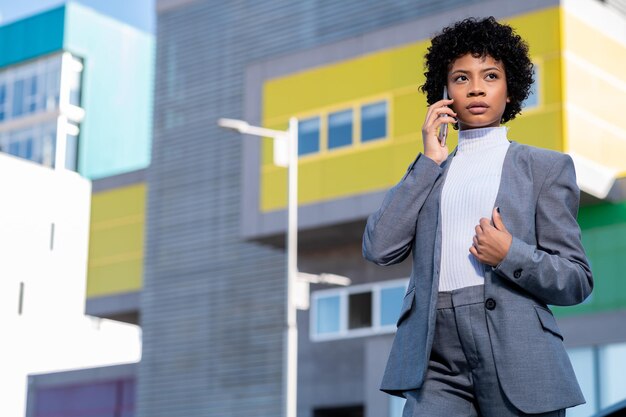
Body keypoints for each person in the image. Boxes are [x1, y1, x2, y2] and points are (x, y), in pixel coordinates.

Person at [362, 16, 593, 417]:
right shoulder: (429, 171)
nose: (477, 88)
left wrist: (510, 255)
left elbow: (576, 279)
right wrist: (429, 159)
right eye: (461, 78)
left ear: (510, 90)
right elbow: (379, 247)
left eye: (490, 75)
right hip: (434, 354)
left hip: (518, 350)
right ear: (445, 91)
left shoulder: (546, 168)